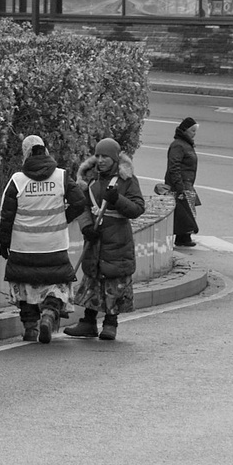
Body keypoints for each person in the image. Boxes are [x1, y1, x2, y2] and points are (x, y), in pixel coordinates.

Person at [0, 136, 85, 344]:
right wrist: (65, 218)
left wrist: (4, 244)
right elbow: (80, 202)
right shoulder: (61, 177)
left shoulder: (17, 181)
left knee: (26, 287)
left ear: (26, 153)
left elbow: (6, 217)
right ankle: (49, 313)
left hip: (23, 247)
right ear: (46, 151)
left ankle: (30, 328)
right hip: (54, 246)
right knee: (56, 285)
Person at [64, 138, 147, 340]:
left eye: (105, 157)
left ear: (115, 158)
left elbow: (137, 208)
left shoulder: (126, 180)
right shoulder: (89, 181)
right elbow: (82, 206)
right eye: (98, 156)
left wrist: (117, 199)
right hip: (95, 240)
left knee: (113, 280)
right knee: (93, 277)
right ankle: (88, 321)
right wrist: (86, 227)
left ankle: (111, 323)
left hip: (117, 240)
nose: (100, 160)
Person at [161, 117, 201, 249]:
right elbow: (174, 166)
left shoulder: (185, 144)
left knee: (187, 210)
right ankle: (183, 236)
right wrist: (179, 187)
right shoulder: (179, 145)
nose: (194, 133)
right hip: (181, 184)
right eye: (192, 131)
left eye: (195, 131)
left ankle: (183, 236)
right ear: (185, 130)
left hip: (186, 183)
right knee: (184, 210)